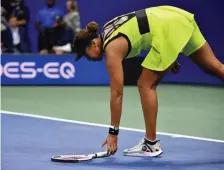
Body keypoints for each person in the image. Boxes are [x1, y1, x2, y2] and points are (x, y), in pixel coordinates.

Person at [73, 6, 224, 157]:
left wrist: (113, 133)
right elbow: (144, 31)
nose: (88, 58)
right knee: (213, 66)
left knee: (145, 84)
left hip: (168, 28)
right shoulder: (108, 28)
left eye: (85, 54)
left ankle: (151, 144)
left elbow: (117, 93)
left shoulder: (112, 48)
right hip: (177, 17)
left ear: (93, 44)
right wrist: (169, 55)